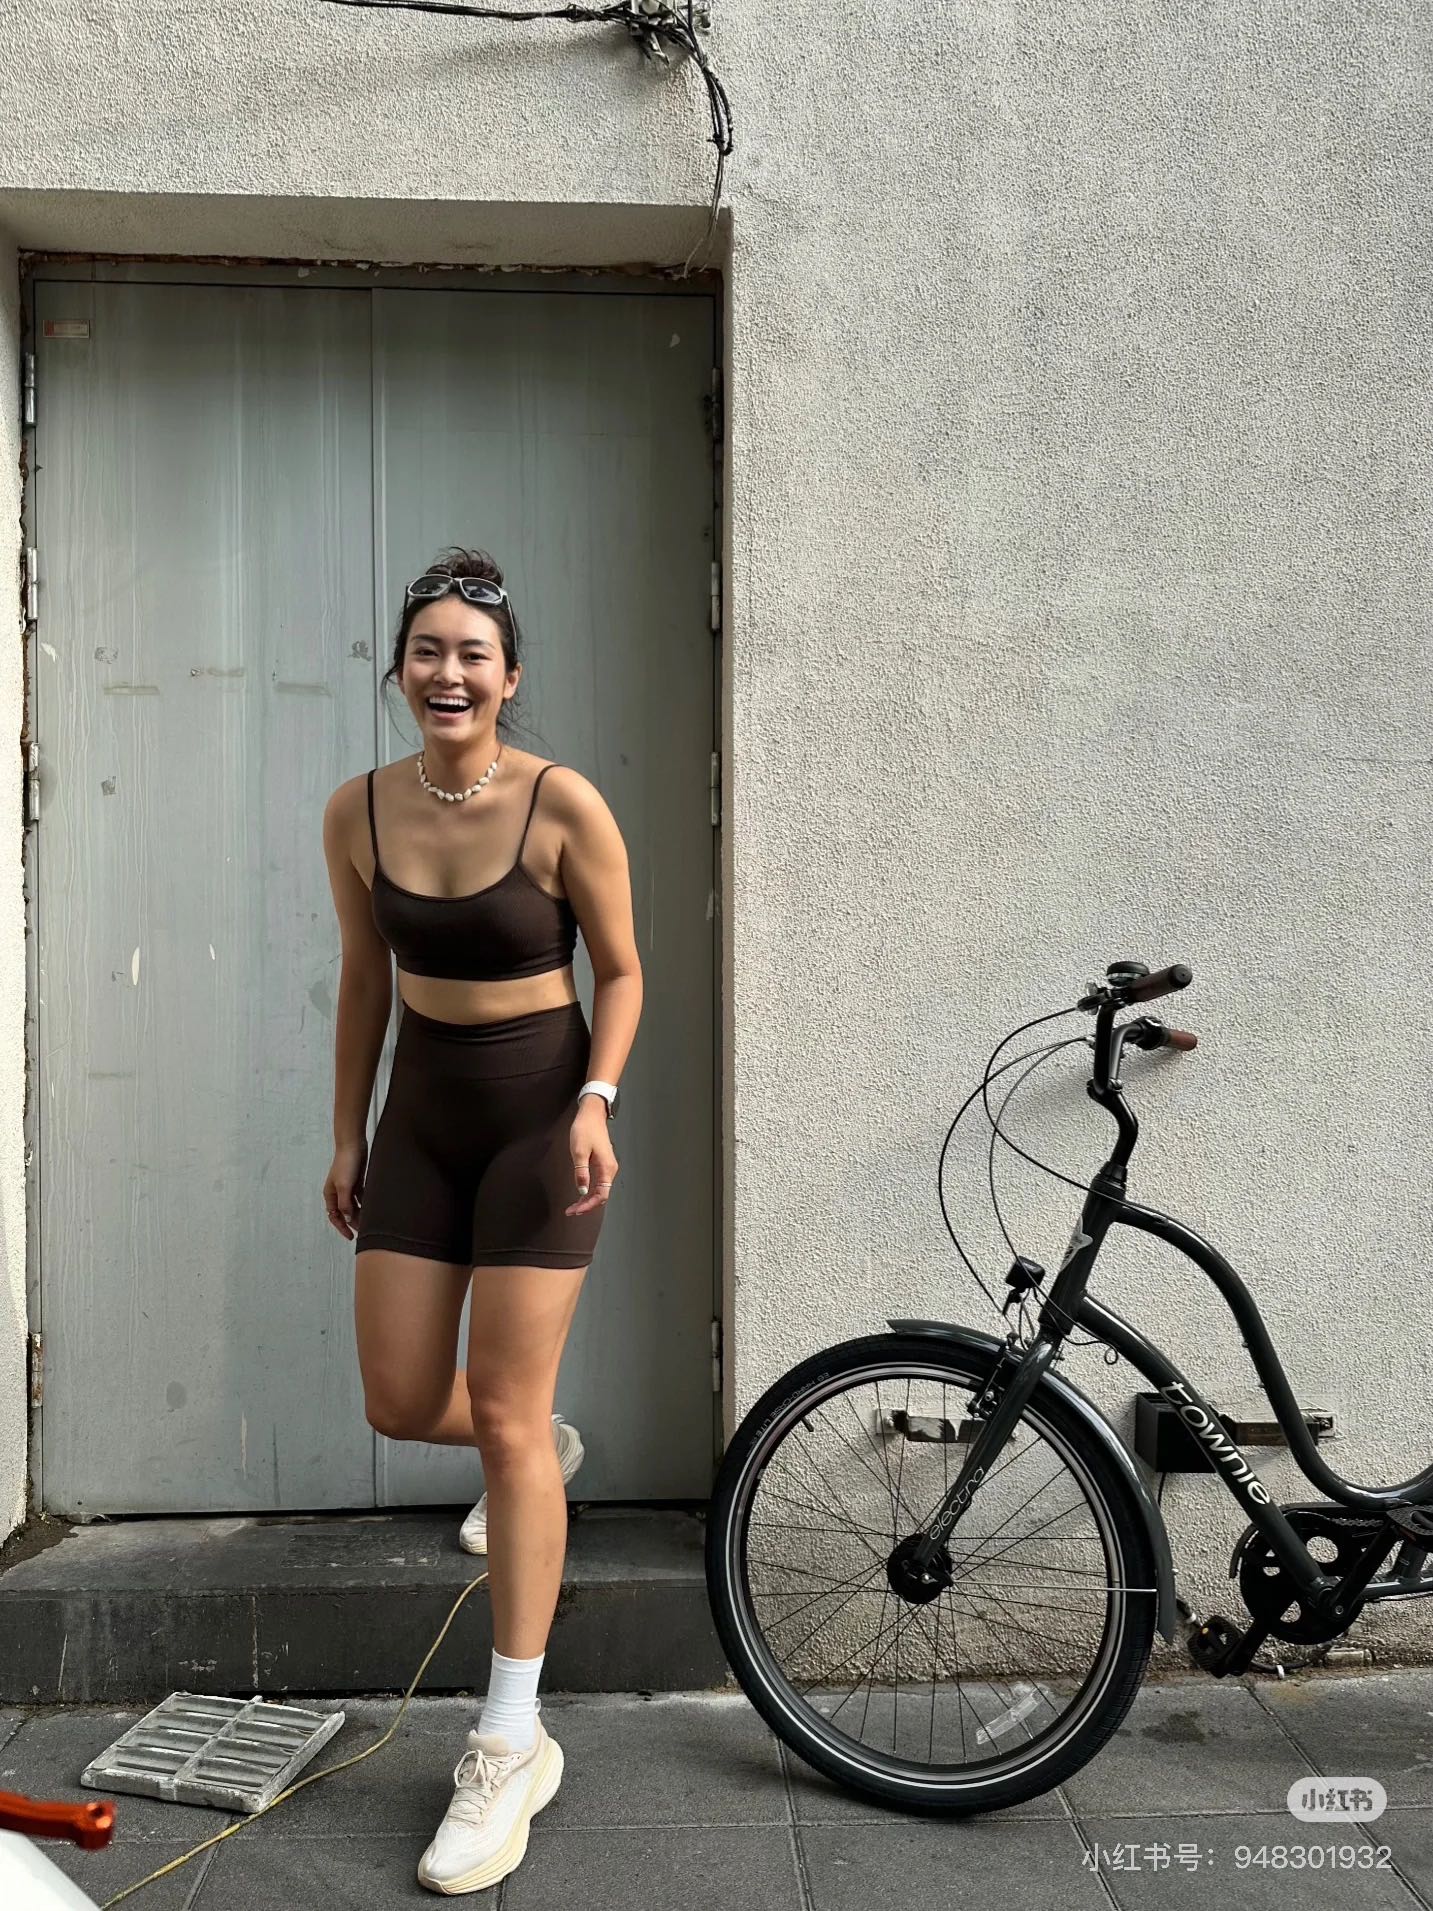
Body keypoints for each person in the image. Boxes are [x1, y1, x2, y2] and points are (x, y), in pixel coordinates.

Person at [320, 547, 643, 1894]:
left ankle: (511, 1738)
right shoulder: (357, 811)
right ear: (398, 669)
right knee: (403, 1399)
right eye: (426, 651)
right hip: (422, 1121)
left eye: (472, 655)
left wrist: (597, 1101)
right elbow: (365, 978)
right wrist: (349, 1131)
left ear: (510, 678)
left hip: (538, 1128)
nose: (446, 673)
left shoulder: (561, 804)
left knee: (504, 1412)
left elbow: (622, 970)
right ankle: (537, 1447)